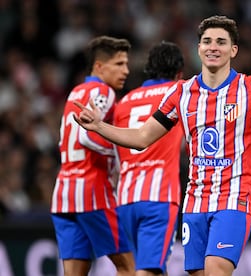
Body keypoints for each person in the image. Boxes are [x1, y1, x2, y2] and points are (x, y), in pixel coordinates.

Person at [73, 16, 251, 276]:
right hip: (195, 202)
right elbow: (143, 137)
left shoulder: (250, 89)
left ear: (233, 49)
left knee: (217, 270)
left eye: (221, 42)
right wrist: (98, 126)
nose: (213, 47)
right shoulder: (181, 93)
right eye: (207, 41)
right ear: (199, 47)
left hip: (235, 198)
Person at [50, 35, 135, 276]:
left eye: (126, 64)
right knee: (128, 266)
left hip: (64, 192)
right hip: (92, 191)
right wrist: (124, 150)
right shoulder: (102, 91)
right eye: (119, 64)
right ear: (99, 66)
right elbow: (86, 135)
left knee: (74, 273)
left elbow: (64, 139)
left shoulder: (75, 92)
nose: (126, 70)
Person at [113, 41, 184, 275]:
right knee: (149, 270)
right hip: (158, 198)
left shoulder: (124, 102)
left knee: (131, 270)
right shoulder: (180, 92)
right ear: (179, 73)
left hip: (124, 199)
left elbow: (115, 153)